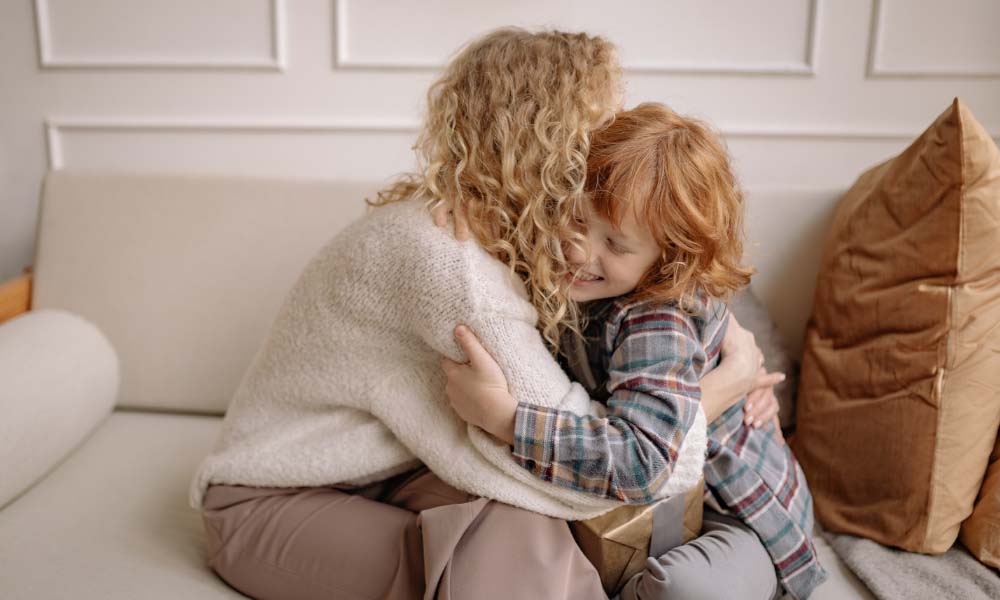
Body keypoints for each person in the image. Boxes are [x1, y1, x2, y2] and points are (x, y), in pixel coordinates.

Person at [190, 28, 777, 600]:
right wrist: (723, 388)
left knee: (521, 530)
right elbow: (620, 474)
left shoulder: (514, 235)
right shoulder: (453, 264)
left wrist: (731, 343)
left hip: (392, 473)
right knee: (505, 543)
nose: (614, 143)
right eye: (602, 126)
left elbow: (673, 287)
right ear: (548, 145)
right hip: (270, 499)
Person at [442, 103, 827, 599]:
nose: (579, 250)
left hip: (734, 509)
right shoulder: (572, 272)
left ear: (667, 261)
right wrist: (466, 199)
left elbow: (643, 461)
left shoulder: (658, 318)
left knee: (683, 588)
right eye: (575, 218)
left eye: (616, 245)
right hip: (651, 514)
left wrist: (507, 420)